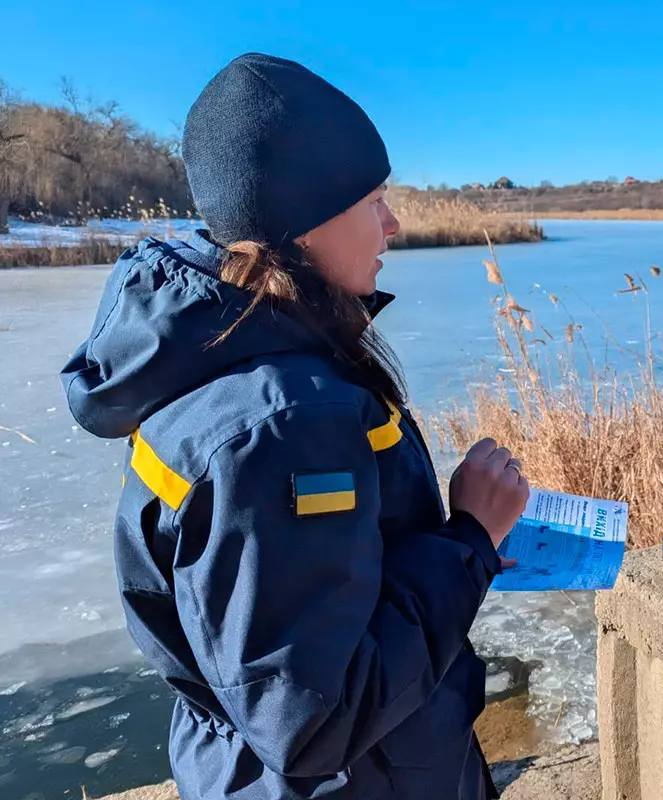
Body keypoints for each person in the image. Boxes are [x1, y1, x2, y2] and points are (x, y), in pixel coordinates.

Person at [61, 53, 527, 799]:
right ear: (303, 222)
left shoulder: (220, 355)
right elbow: (316, 720)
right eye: (371, 200)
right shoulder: (285, 423)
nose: (393, 223)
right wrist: (469, 540)